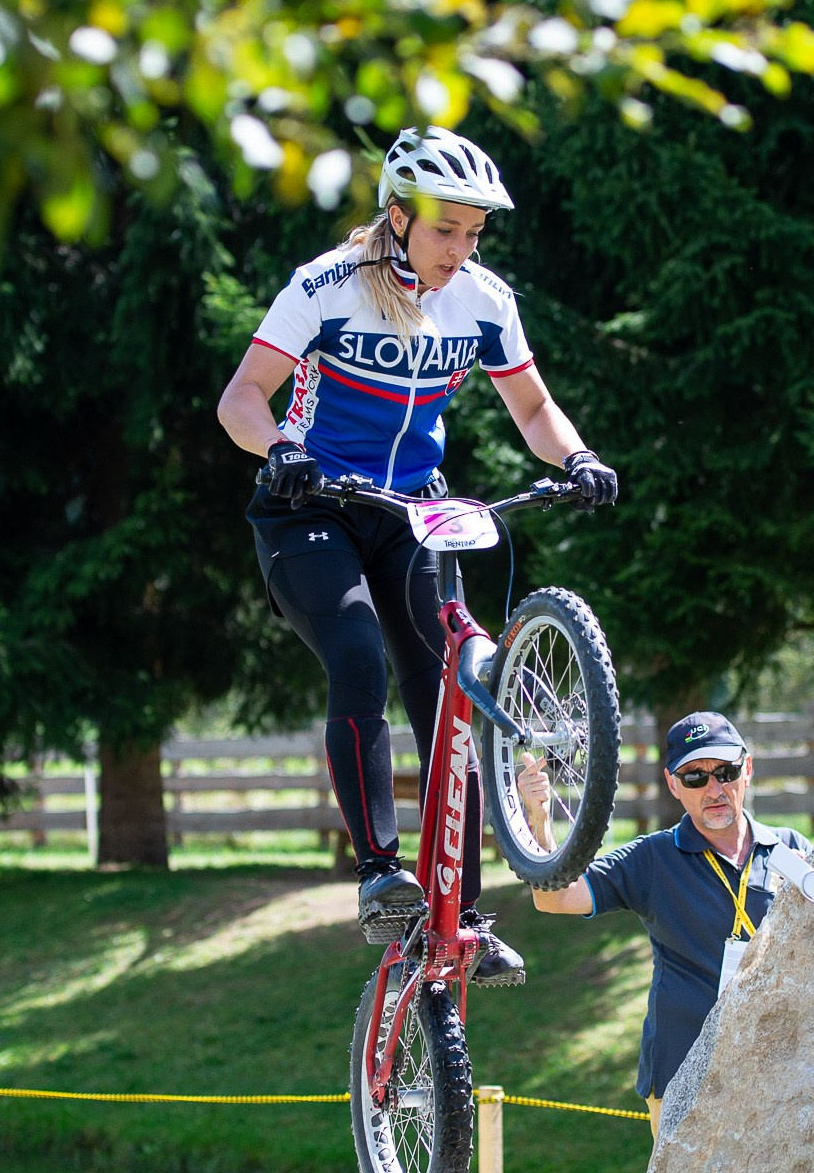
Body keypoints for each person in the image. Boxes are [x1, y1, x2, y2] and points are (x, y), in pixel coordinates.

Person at [217, 126, 619, 985]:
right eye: (447, 230)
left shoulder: (482, 299)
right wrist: (278, 447)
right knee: (358, 652)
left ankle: (463, 918)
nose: (461, 249)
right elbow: (240, 399)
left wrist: (577, 457)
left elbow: (535, 410)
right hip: (310, 509)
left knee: (451, 695)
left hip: (412, 512)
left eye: (475, 232)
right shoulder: (326, 287)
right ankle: (377, 871)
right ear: (398, 217)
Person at [530, 712, 813, 1132]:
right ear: (673, 784)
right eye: (695, 777)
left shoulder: (794, 850)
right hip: (682, 1073)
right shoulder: (653, 857)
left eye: (725, 772)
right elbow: (554, 898)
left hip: (780, 1065)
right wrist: (537, 816)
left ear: (747, 770)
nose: (714, 789)